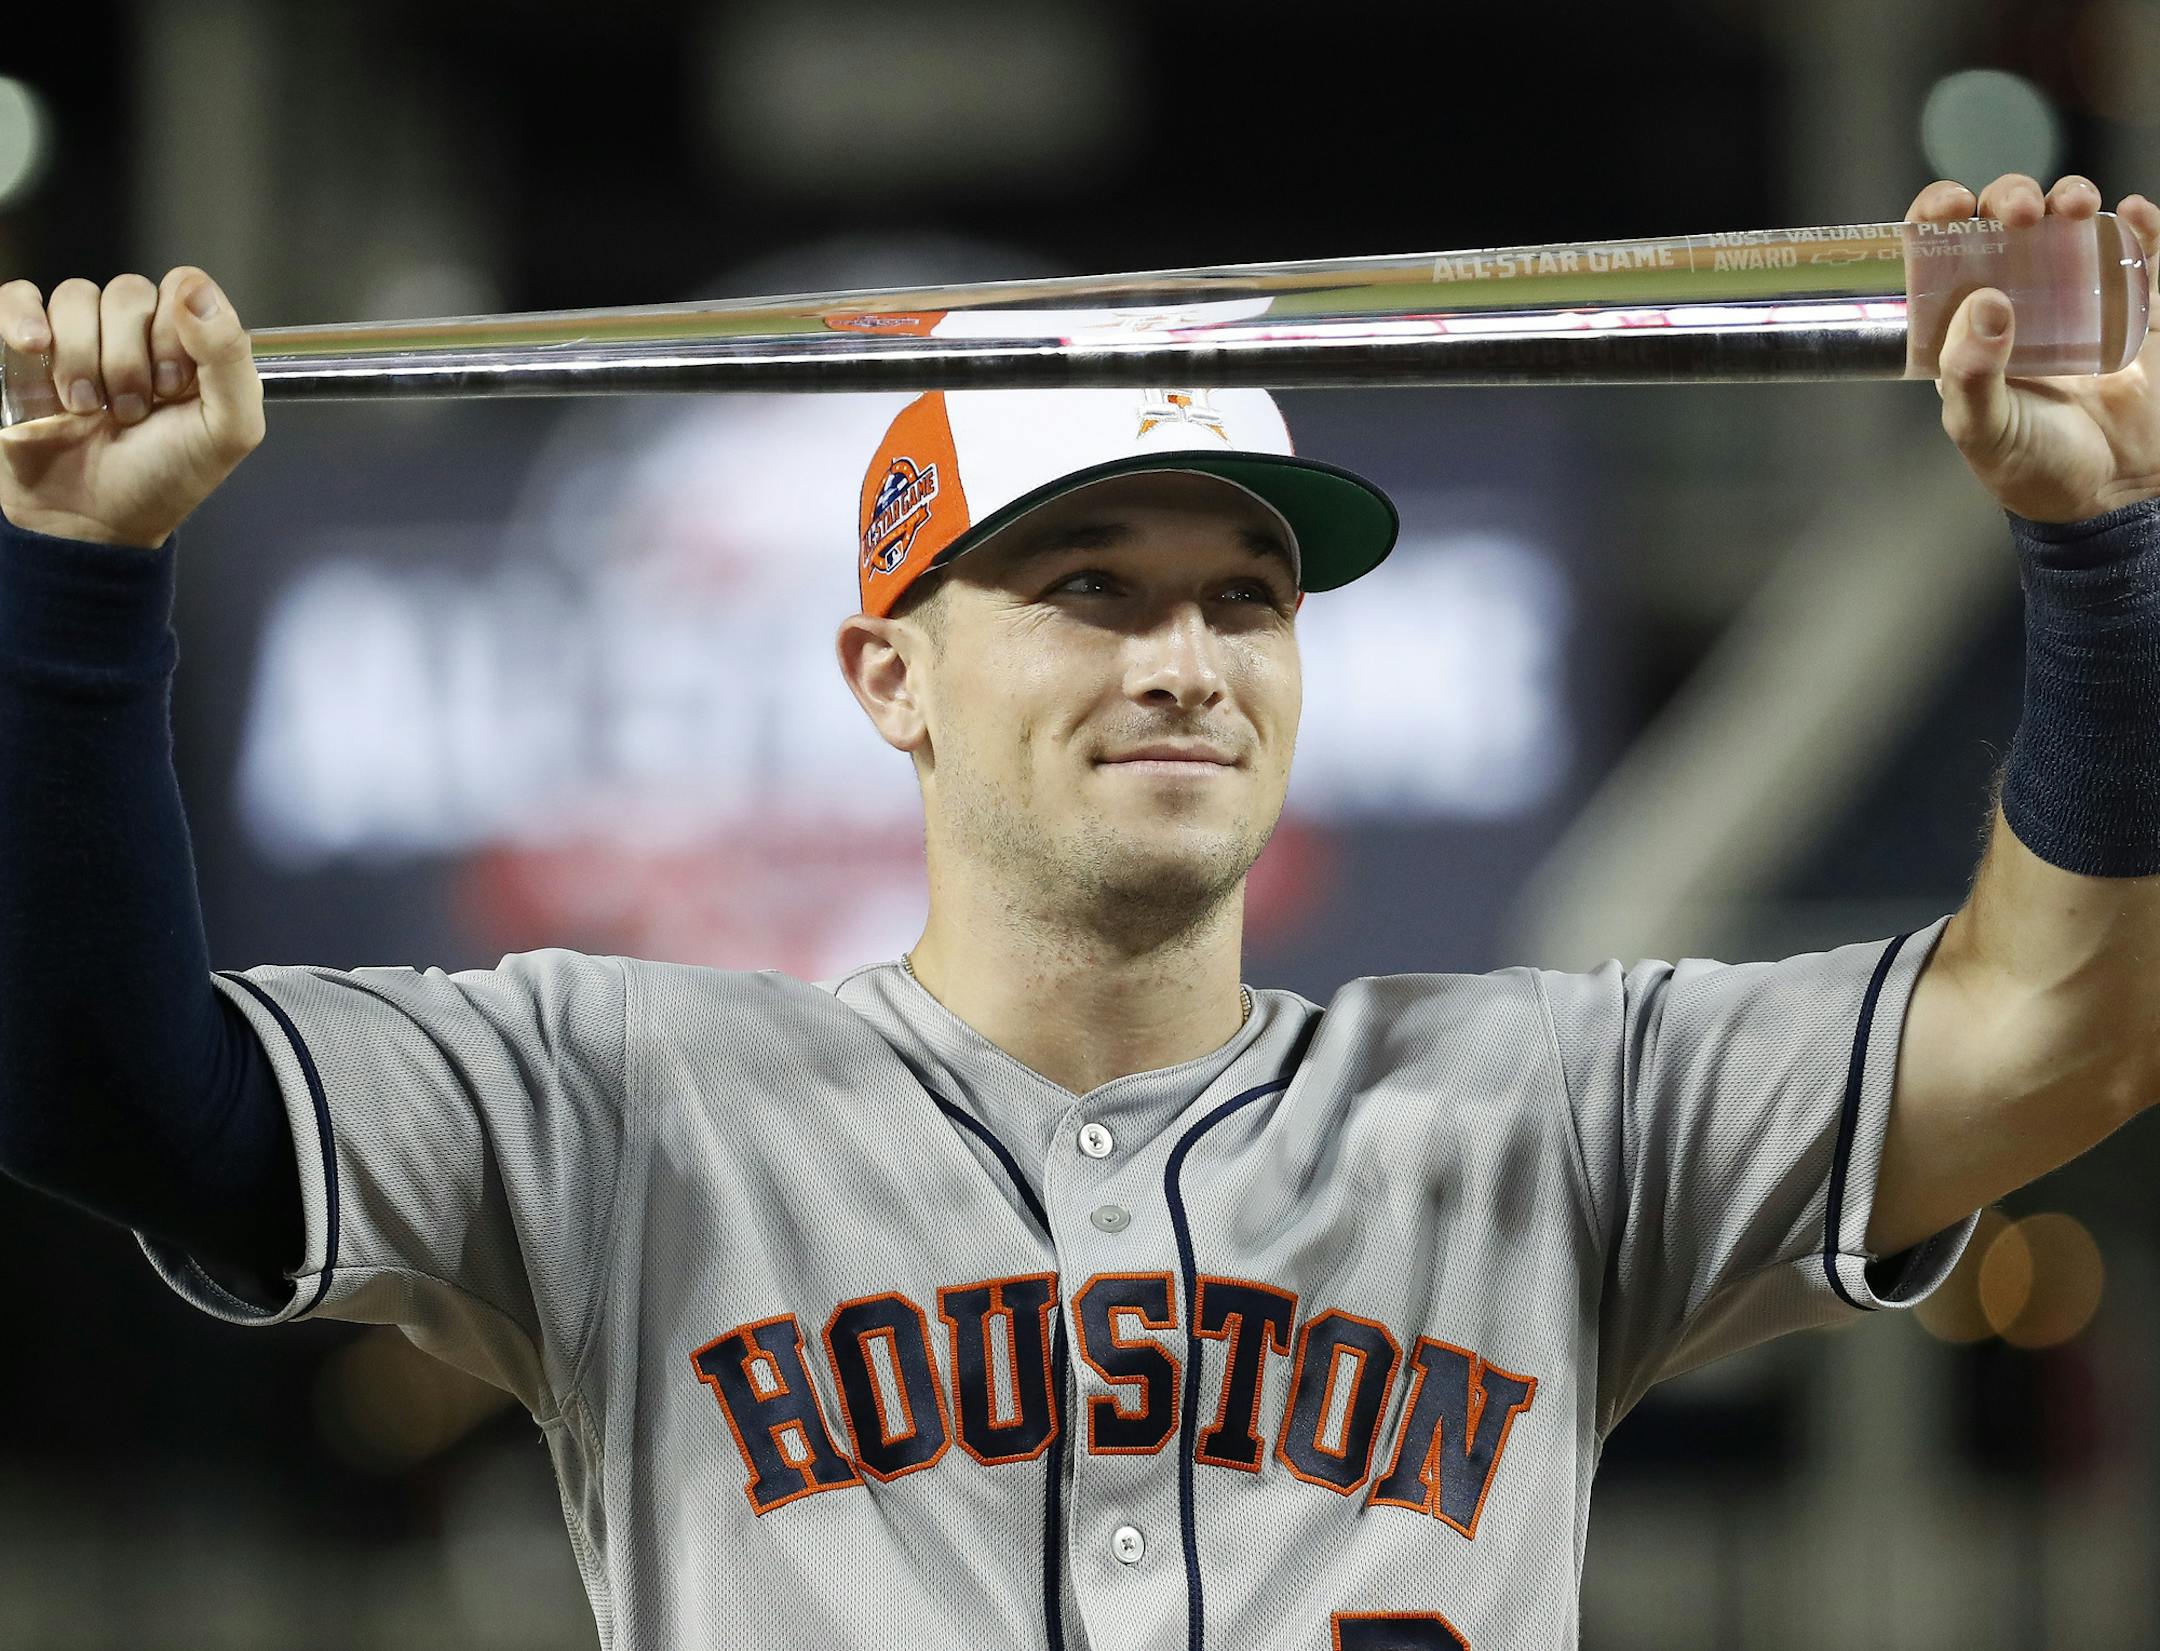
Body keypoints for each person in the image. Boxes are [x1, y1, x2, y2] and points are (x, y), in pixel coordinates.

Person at [1, 172, 2154, 1650]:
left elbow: (2065, 1033)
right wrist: (77, 592)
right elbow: (110, 1092)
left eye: (1247, 595)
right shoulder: (622, 1099)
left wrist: (2102, 549)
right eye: (1086, 588)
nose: (1185, 658)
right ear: (888, 678)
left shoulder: (1549, 1104)